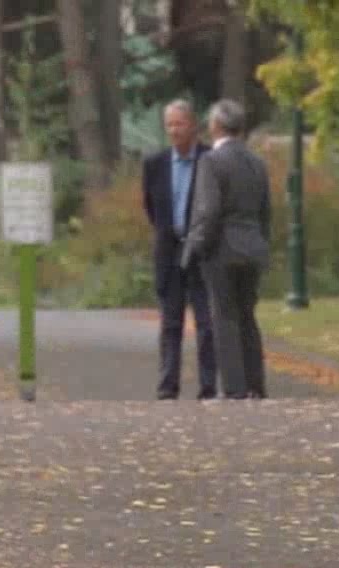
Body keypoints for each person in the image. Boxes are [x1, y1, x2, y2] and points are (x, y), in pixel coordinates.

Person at [181, 99, 270, 400]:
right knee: (247, 315)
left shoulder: (211, 161)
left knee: (225, 317)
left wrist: (194, 247)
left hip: (222, 249)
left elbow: (208, 210)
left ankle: (233, 387)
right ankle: (256, 384)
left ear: (215, 126)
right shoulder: (257, 163)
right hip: (253, 247)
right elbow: (264, 210)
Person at [142, 99, 217, 400]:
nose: (174, 130)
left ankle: (208, 385)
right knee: (170, 322)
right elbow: (150, 206)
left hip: (201, 252)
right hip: (168, 251)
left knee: (205, 322)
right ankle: (167, 384)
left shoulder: (210, 160)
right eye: (169, 124)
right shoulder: (155, 164)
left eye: (179, 124)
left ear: (193, 125)